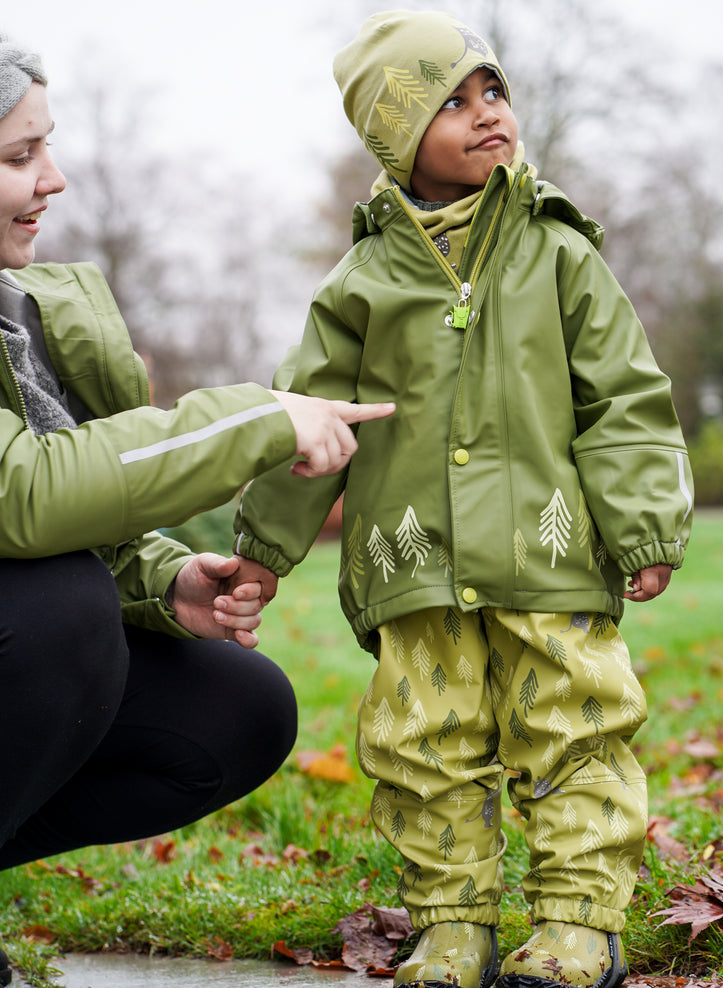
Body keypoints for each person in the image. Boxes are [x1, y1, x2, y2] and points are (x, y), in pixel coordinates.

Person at [229, 11, 694, 988]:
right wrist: (261, 554)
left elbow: (624, 396)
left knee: (573, 727)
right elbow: (304, 425)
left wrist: (643, 524)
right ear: (397, 135)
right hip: (414, 564)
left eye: (494, 91)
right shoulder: (361, 282)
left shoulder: (559, 251)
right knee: (423, 745)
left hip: (548, 557)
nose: (487, 115)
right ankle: (452, 925)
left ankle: (576, 920)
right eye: (452, 100)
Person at [0, 37, 395, 988]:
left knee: (235, 709)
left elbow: (75, 521)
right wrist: (262, 416)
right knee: (61, 613)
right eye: (18, 157)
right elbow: (24, 498)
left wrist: (164, 582)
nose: (53, 180)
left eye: (47, 148)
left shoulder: (25, 312)